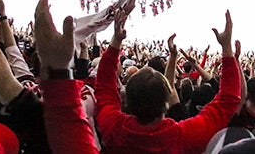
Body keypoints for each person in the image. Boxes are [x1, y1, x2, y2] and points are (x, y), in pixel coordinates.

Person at [94, 9, 241, 153]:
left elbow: (103, 87)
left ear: (128, 101)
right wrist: (226, 47)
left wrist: (116, 40)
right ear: (166, 103)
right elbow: (229, 99)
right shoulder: (184, 137)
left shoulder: (114, 127)